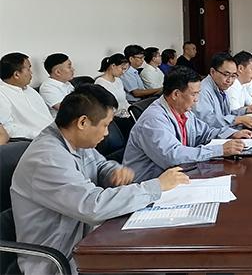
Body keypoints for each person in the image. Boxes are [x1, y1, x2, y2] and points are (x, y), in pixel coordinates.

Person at [10, 84, 190, 274]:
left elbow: (100, 165)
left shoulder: (73, 139)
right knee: (153, 258)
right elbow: (92, 206)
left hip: (88, 237)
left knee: (157, 244)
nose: (106, 133)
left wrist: (114, 172)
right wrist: (156, 186)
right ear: (83, 122)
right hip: (60, 259)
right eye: (105, 125)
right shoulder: (48, 158)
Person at [123, 66, 247, 182]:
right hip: (149, 186)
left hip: (176, 177)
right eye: (194, 94)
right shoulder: (153, 119)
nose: (197, 99)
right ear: (176, 94)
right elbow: (173, 157)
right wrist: (219, 150)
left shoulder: (184, 111)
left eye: (198, 93)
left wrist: (232, 134)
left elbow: (205, 132)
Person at [193, 52, 252, 130]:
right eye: (226, 75)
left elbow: (226, 114)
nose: (229, 80)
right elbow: (207, 121)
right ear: (212, 72)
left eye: (233, 76)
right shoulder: (202, 90)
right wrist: (236, 120)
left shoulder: (221, 87)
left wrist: (246, 110)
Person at [0, 52, 53, 139]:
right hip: (37, 139)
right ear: (16, 75)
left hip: (54, 133)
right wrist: (40, 135)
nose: (31, 73)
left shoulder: (29, 90)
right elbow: (8, 128)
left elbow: (47, 117)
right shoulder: (2, 94)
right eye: (28, 69)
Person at [94, 53, 132, 128]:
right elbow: (104, 107)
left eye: (125, 69)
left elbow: (124, 101)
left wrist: (131, 110)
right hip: (114, 119)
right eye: (122, 69)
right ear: (113, 66)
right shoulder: (100, 83)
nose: (123, 72)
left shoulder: (118, 80)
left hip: (125, 114)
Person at [39, 53, 75, 117]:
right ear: (58, 72)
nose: (73, 69)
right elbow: (67, 109)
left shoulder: (67, 83)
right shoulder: (47, 88)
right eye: (69, 67)